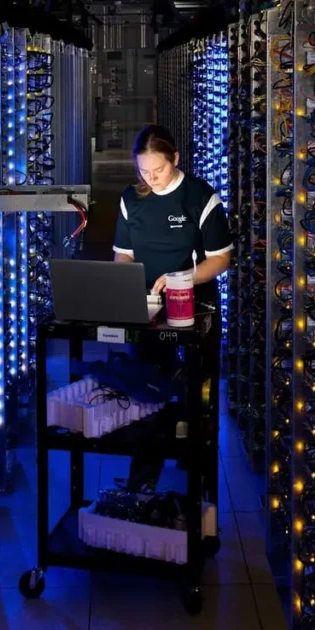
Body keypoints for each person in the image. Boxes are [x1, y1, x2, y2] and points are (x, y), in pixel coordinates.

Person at [112, 124, 232, 492]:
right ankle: (143, 480)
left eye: (158, 171)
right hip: (149, 306)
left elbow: (220, 259)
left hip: (197, 305)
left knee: (200, 389)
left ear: (175, 159)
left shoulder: (200, 197)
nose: (151, 178)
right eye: (143, 171)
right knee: (147, 388)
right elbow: (124, 253)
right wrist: (126, 284)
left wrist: (183, 277)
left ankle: (199, 474)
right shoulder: (132, 199)